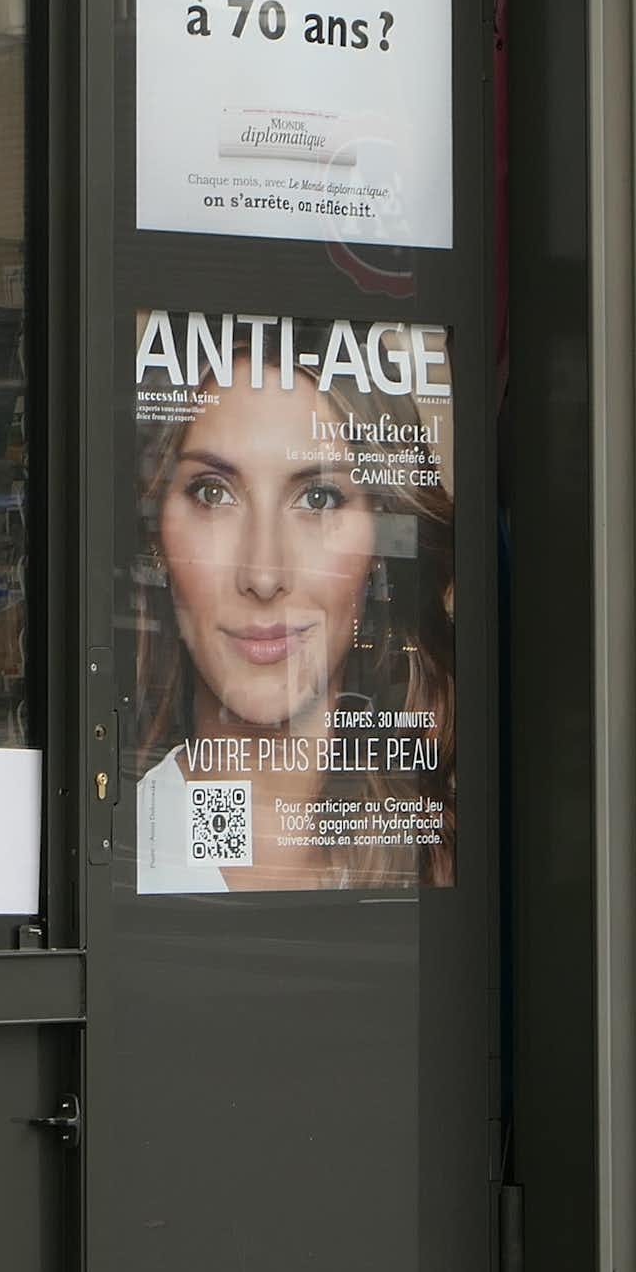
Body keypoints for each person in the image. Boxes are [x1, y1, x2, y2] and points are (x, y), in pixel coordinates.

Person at [133, 328, 456, 893]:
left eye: (318, 498)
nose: (264, 575)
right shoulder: (117, 850)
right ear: (157, 536)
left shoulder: (445, 853)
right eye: (213, 493)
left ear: (380, 545)